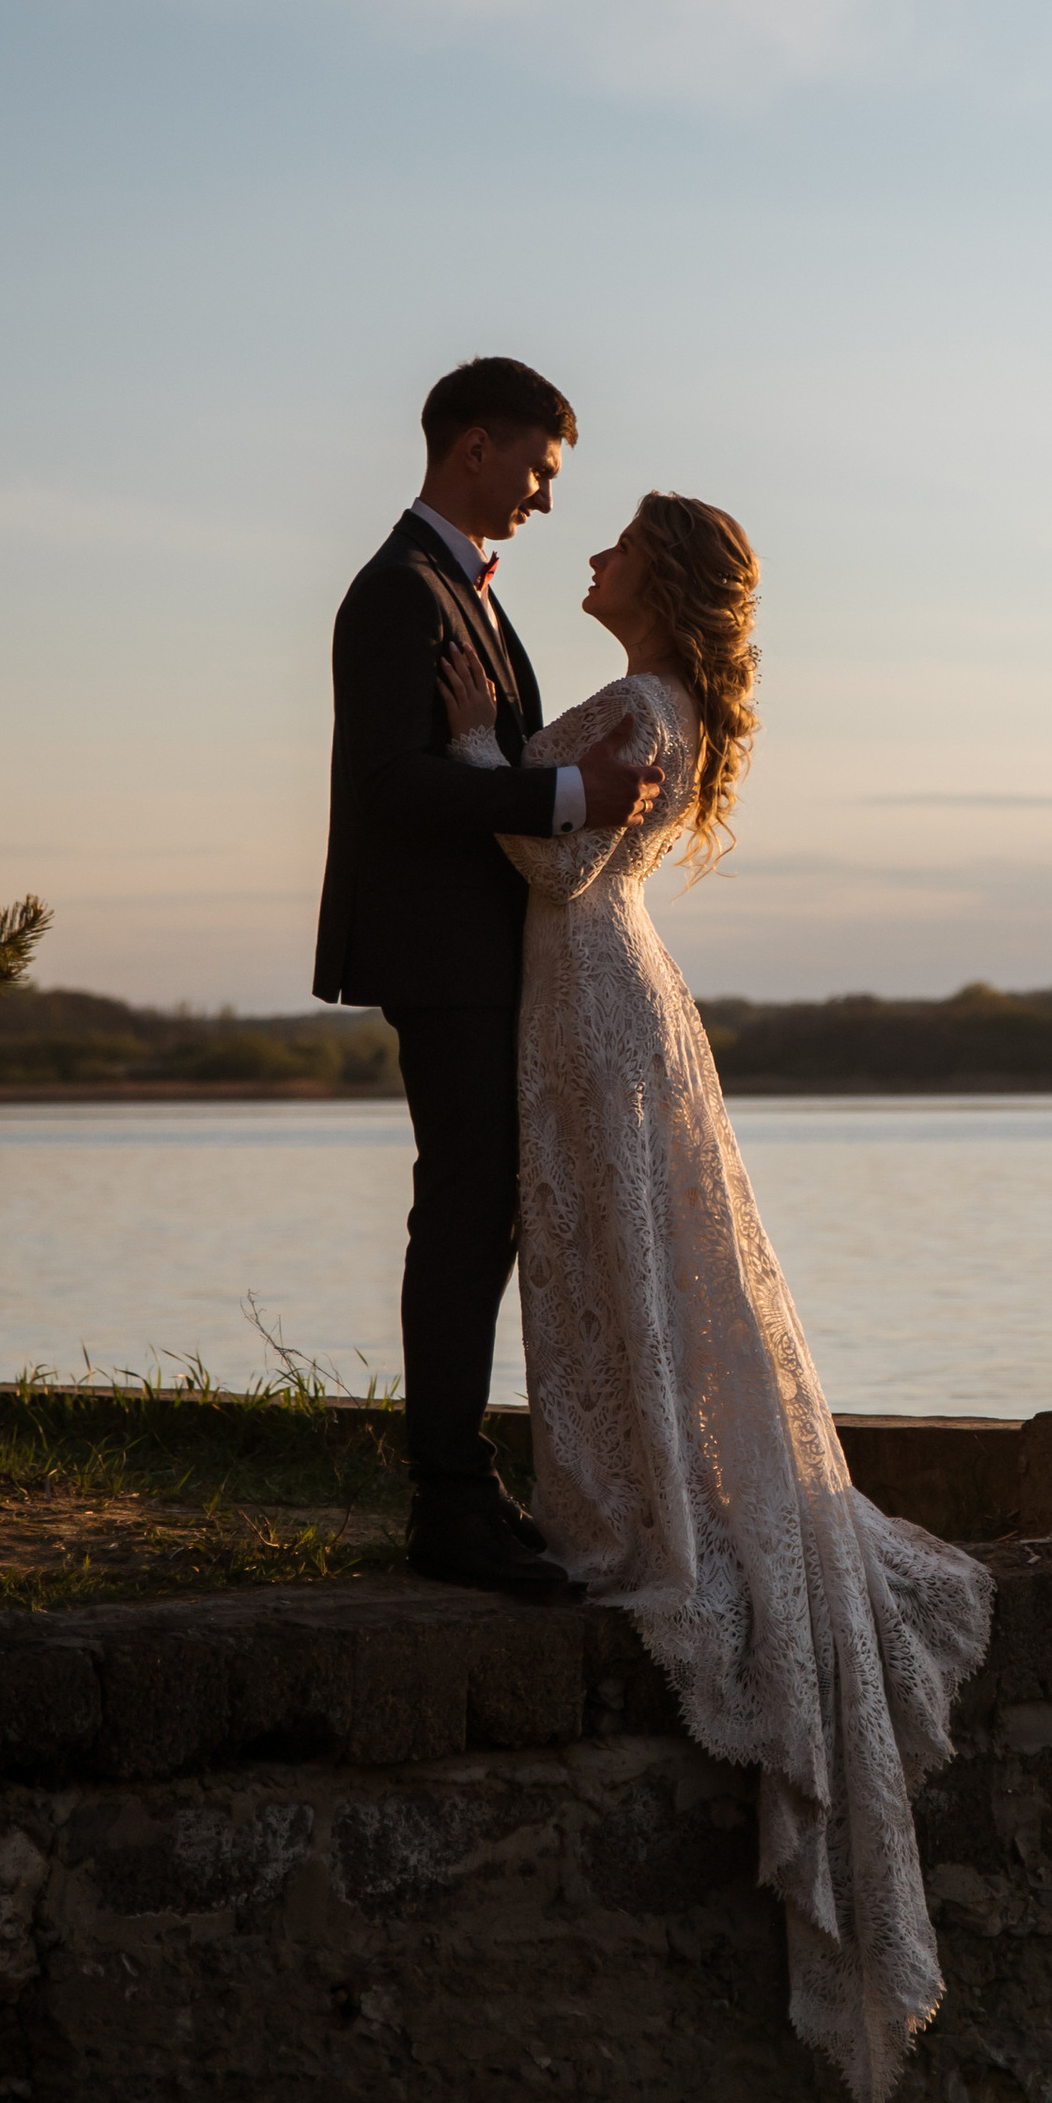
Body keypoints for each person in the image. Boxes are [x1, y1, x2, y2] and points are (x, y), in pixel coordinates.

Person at [434, 490, 994, 2103]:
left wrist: (479, 750)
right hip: (600, 998)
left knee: (623, 1260)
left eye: (616, 545)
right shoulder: (653, 704)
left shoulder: (648, 706)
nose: (590, 559)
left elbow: (554, 853)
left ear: (663, 583)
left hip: (597, 991)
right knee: (619, 1265)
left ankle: (641, 1507)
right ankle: (626, 1484)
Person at [314, 357, 660, 1597]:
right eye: (538, 467)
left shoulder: (462, 595)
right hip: (442, 954)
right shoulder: (397, 595)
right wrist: (573, 793)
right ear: (474, 446)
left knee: (486, 1213)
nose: (547, 499)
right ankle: (447, 1504)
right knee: (463, 1213)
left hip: (483, 951)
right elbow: (392, 787)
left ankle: (465, 1487)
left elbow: (468, 758)